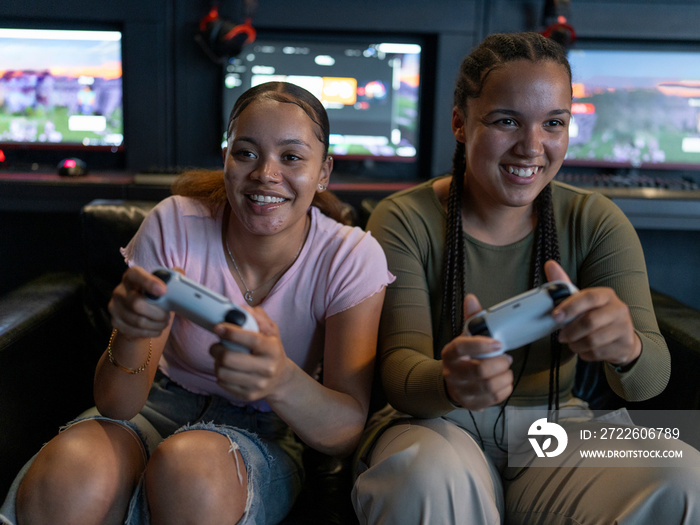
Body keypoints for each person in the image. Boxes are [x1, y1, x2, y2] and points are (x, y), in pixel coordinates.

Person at [1, 81, 393, 525]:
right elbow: (118, 405)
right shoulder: (176, 223)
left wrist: (281, 379)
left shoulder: (351, 255)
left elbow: (343, 431)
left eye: (291, 157)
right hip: (157, 403)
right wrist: (133, 331)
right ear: (226, 159)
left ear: (323, 172)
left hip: (263, 430)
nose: (266, 173)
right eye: (245, 152)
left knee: (190, 471)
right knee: (70, 476)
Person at [351, 32, 700, 524]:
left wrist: (627, 349)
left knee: (684, 474)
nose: (531, 147)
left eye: (553, 123)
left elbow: (648, 383)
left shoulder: (594, 220)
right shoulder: (404, 219)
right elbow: (399, 373)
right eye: (506, 121)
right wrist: (452, 381)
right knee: (429, 476)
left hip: (555, 429)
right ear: (460, 123)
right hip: (436, 424)